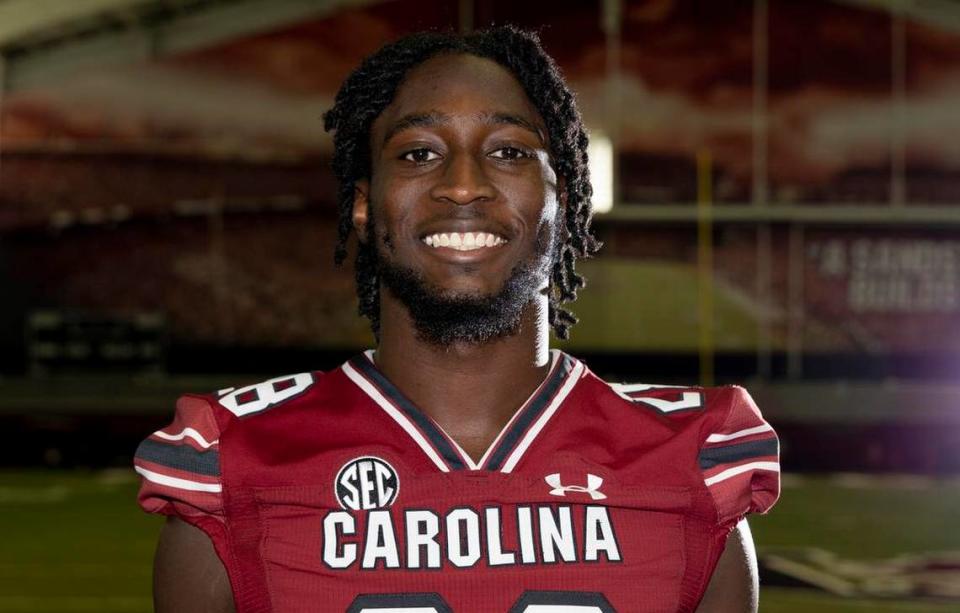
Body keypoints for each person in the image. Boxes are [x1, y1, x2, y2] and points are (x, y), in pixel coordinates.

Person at [134, 26, 780, 613]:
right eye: (418, 153)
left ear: (565, 195)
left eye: (508, 151)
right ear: (363, 205)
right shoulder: (236, 460)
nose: (464, 184)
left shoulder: (691, 464)